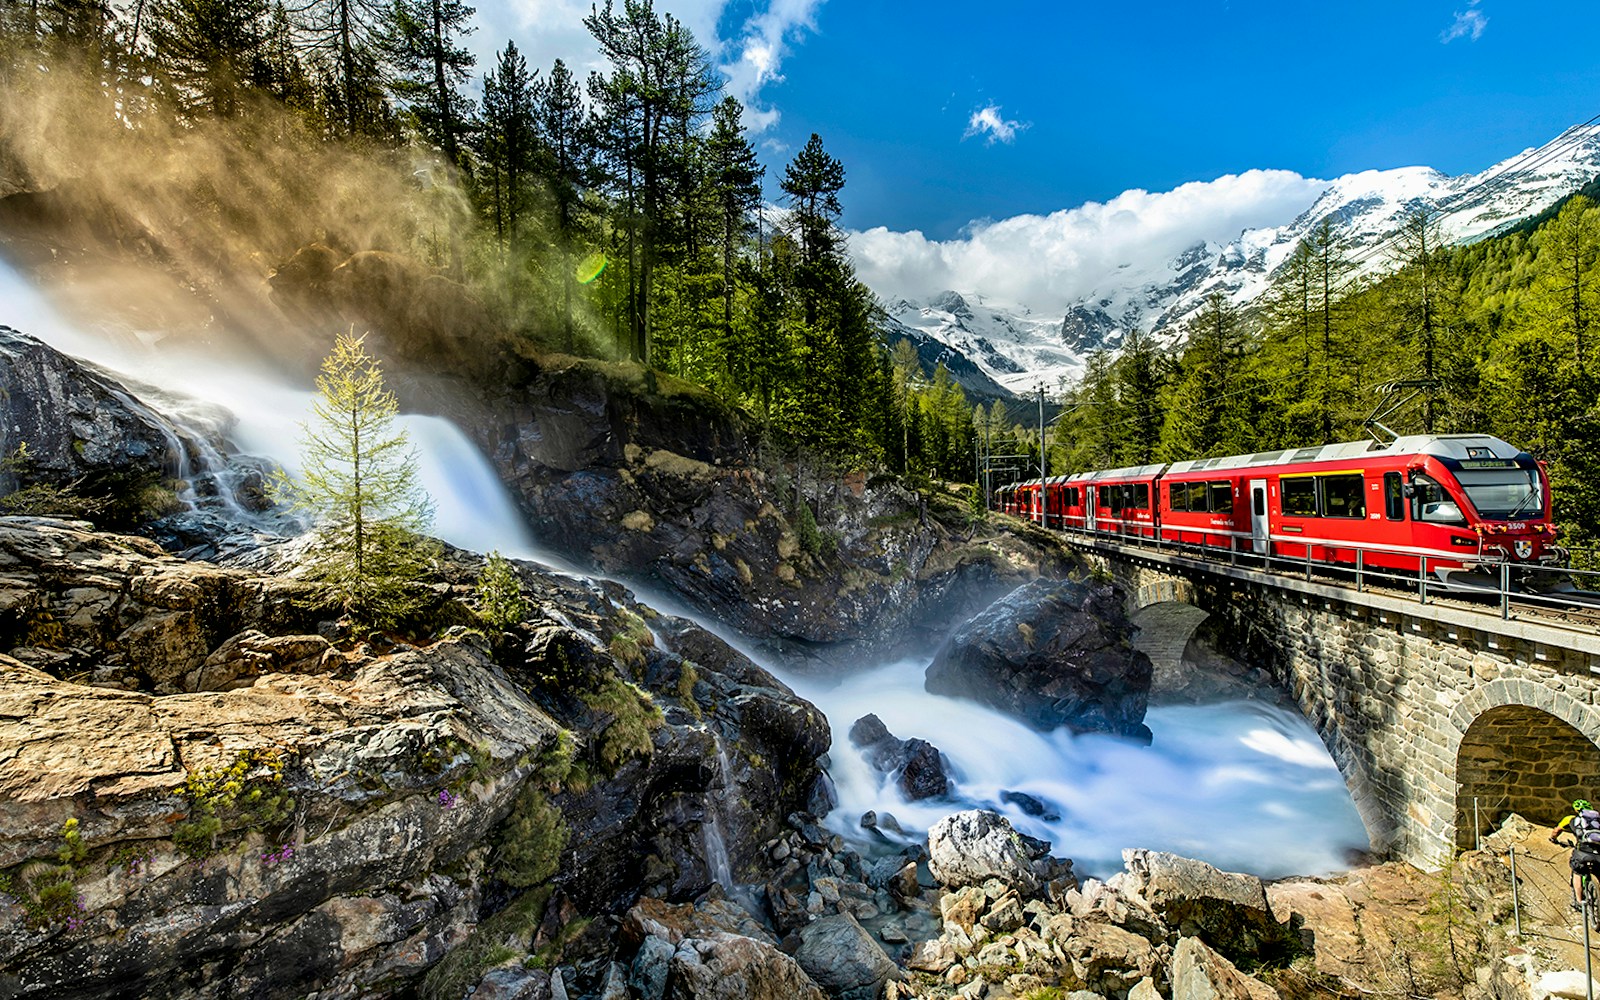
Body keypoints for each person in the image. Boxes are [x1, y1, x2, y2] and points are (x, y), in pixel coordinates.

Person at [1552, 798, 1600, 911]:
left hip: (1582, 852)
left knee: (1577, 872)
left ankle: (1578, 902)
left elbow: (1556, 831)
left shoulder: (1571, 819)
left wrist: (1552, 838)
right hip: (1598, 853)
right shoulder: (1597, 821)